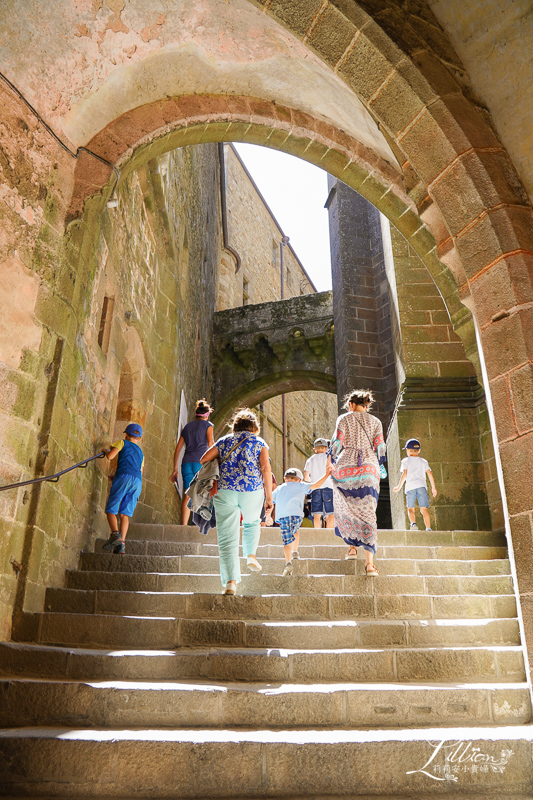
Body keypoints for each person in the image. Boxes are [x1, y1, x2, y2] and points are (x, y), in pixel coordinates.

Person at [200, 408, 272, 595]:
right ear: (254, 427)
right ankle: (250, 555)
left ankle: (231, 582)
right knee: (251, 522)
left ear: (235, 426)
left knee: (226, 537)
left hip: (225, 490)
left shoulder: (225, 441)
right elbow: (265, 468)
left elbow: (203, 459)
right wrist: (269, 498)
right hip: (252, 490)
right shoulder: (259, 442)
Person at [327, 389, 386, 575]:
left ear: (351, 404)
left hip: (346, 468)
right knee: (368, 512)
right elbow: (381, 448)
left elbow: (337, 442)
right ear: (366, 405)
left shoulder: (344, 419)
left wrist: (330, 460)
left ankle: (352, 548)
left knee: (346, 505)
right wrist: (379, 464)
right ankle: (369, 564)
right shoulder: (376, 421)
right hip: (369, 468)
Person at [270, 464, 333, 576]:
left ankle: (288, 562)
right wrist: (327, 474)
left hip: (284, 517)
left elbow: (270, 500)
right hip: (297, 516)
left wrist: (268, 514)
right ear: (299, 480)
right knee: (296, 530)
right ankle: (295, 551)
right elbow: (317, 485)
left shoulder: (279, 488)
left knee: (286, 541)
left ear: (285, 479)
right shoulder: (300, 485)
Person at [101, 422, 144, 554]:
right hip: (137, 482)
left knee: (111, 509)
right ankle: (121, 545)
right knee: (125, 515)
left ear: (126, 434)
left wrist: (105, 450)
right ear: (139, 439)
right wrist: (116, 477)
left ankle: (115, 534)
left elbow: (110, 456)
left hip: (124, 477)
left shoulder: (122, 442)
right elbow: (139, 471)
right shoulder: (141, 453)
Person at [170, 399, 215, 525]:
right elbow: (211, 444)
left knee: (187, 495)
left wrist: (175, 469)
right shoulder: (208, 426)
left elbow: (178, 449)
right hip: (200, 463)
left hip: (186, 464)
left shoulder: (187, 427)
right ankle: (201, 526)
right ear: (207, 415)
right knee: (203, 495)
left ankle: (183, 526)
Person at [393, 438, 437, 531]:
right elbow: (429, 473)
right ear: (419, 450)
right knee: (424, 509)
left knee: (410, 509)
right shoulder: (423, 461)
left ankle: (413, 524)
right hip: (422, 487)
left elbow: (404, 474)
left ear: (408, 450)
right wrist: (433, 488)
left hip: (410, 487)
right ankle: (428, 528)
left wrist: (399, 487)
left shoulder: (405, 461)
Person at [304, 437, 334, 528]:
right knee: (331, 513)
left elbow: (306, 477)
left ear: (314, 449)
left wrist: (313, 482)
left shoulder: (310, 460)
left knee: (316, 515)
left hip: (315, 489)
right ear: (326, 448)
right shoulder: (329, 458)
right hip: (328, 487)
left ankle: (318, 532)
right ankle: (329, 534)